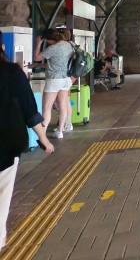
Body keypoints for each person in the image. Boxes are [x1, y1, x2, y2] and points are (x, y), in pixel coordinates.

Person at [0, 31, 54, 250]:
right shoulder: (11, 72)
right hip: (5, 141)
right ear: (2, 48)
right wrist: (44, 139)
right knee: (2, 191)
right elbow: (29, 109)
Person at [33, 28, 74, 139]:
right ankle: (60, 131)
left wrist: (38, 43)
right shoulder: (68, 45)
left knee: (46, 107)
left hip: (54, 80)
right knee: (63, 105)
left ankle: (42, 134)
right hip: (66, 79)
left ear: (50, 39)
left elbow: (36, 57)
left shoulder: (53, 48)